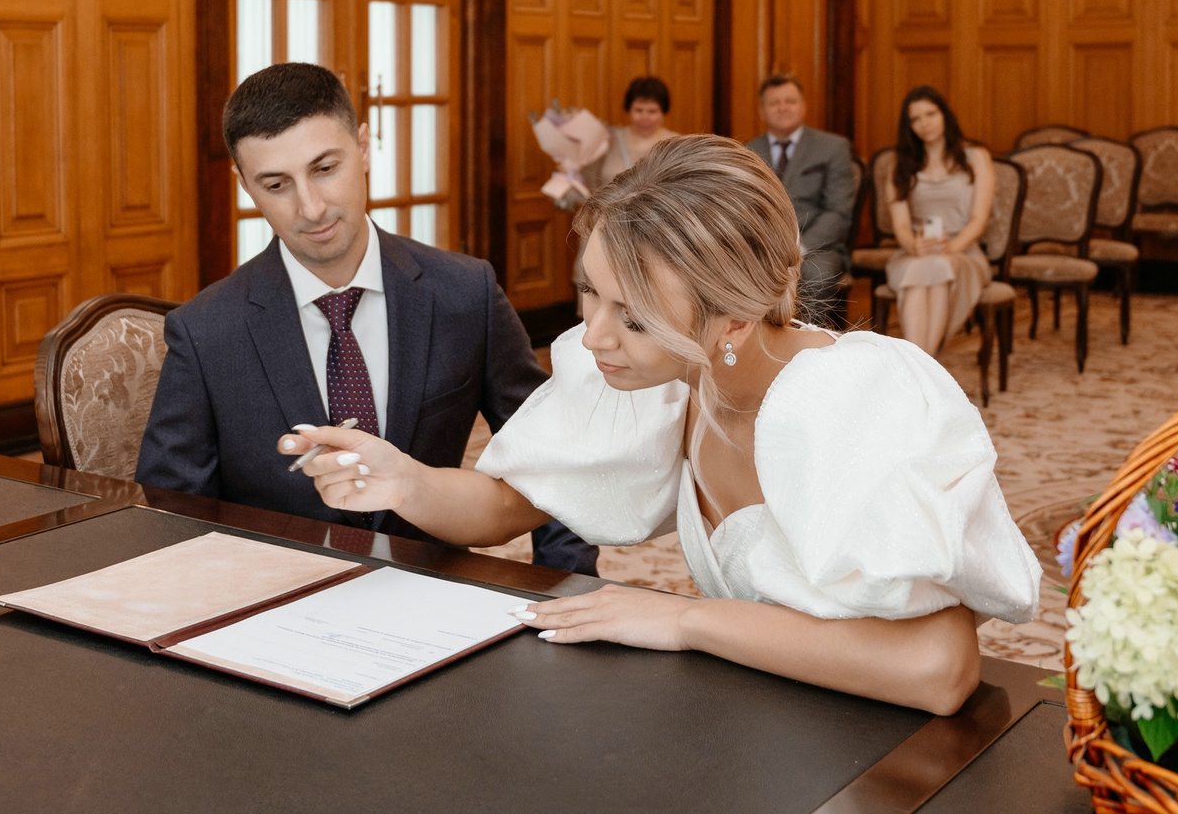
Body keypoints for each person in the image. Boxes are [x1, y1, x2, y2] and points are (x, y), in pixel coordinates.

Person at [276, 135, 1039, 715]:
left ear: (734, 317)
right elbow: (510, 500)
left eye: (634, 317)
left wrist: (685, 620)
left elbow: (937, 668)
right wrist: (405, 479)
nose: (594, 335)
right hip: (763, 712)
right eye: (590, 292)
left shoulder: (848, 399)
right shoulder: (669, 379)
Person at [135, 63, 597, 575]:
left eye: (325, 168)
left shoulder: (466, 293)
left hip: (434, 590)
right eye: (276, 184)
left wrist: (566, 583)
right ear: (245, 185)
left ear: (362, 146)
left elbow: (550, 458)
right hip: (273, 596)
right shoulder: (206, 330)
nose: (311, 207)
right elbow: (173, 515)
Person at [883, 87, 995, 357]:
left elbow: (979, 220)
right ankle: (927, 365)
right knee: (924, 267)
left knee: (940, 265)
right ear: (909, 126)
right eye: (916, 118)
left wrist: (951, 248)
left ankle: (919, 366)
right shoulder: (899, 163)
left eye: (931, 114)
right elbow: (900, 224)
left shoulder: (976, 157)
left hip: (963, 251)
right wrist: (915, 246)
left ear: (944, 114)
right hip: (915, 250)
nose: (925, 123)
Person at [743, 74, 855, 310]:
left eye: (790, 101)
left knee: (816, 275)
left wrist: (799, 248)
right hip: (764, 247)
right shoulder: (747, 152)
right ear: (761, 111)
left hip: (818, 248)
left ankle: (805, 335)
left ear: (803, 106)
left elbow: (838, 212)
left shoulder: (833, 147)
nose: (783, 108)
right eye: (774, 103)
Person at [590, 76, 678, 188]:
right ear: (629, 109)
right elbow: (590, 182)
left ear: (663, 112)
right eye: (638, 110)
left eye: (652, 111)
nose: (645, 117)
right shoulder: (609, 139)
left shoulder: (675, 144)